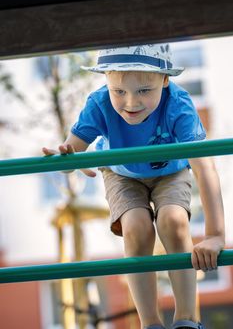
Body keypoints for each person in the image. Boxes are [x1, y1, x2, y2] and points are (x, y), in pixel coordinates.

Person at [42, 44, 225, 329]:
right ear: (107, 82)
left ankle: (187, 320)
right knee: (137, 226)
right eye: (119, 91)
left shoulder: (178, 105)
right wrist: (64, 158)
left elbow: (205, 166)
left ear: (165, 80)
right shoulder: (100, 104)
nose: (131, 102)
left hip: (171, 171)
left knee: (174, 222)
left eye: (143, 91)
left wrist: (214, 235)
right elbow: (72, 150)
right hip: (122, 173)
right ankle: (150, 323)